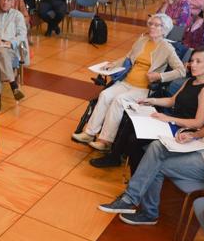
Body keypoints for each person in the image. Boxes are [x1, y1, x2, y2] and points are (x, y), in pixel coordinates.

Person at [99, 73, 204, 225]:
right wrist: (193, 136)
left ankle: (148, 213)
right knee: (156, 146)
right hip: (200, 146)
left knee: (157, 167)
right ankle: (131, 198)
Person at [72, 14, 186, 151]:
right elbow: (128, 57)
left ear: (165, 29)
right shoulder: (142, 40)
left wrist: (160, 76)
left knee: (119, 100)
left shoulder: (167, 48)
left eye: (157, 25)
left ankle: (105, 140)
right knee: (105, 95)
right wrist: (113, 64)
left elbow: (181, 71)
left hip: (143, 88)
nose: (152, 27)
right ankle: (89, 133)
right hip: (127, 81)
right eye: (151, 24)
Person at [90, 47, 204, 169]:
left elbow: (198, 123)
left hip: (180, 129)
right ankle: (115, 157)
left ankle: (137, 172)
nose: (192, 65)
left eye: (198, 61)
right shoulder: (190, 81)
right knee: (131, 122)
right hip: (171, 121)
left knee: (134, 139)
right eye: (192, 61)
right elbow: (172, 101)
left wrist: (167, 118)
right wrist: (151, 101)